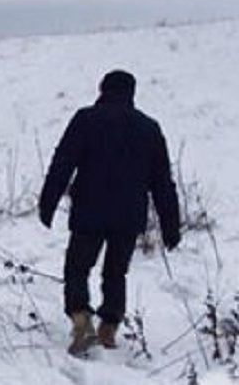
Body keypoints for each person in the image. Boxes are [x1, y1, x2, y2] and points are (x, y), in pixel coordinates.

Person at [38, 70, 181, 355]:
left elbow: (63, 162)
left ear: (102, 89)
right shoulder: (149, 128)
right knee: (116, 273)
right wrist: (171, 226)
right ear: (132, 93)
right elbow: (163, 182)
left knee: (77, 267)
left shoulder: (86, 119)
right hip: (129, 216)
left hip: (89, 210)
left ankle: (81, 320)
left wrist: (48, 201)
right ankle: (108, 329)